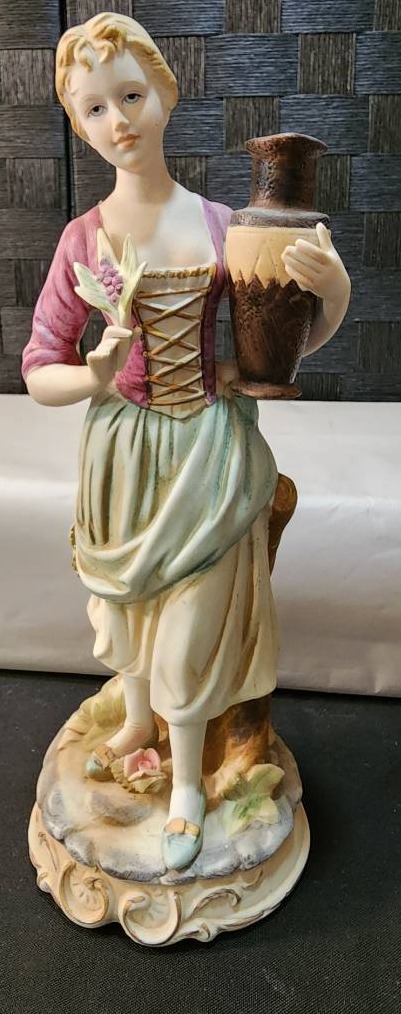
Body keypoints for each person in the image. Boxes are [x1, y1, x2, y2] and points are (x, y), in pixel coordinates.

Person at [22, 12, 351, 870]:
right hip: (123, 455)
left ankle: (186, 790)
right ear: (76, 124)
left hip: (207, 449)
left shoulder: (219, 225)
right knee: (126, 610)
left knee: (189, 625)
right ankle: (137, 721)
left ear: (165, 94)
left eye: (131, 95)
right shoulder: (81, 238)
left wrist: (334, 293)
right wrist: (95, 375)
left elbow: (273, 355)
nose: (119, 120)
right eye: (94, 108)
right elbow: (39, 369)